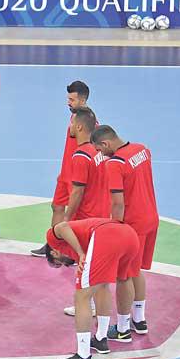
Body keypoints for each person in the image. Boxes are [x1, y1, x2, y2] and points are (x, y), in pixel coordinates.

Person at [45, 218, 140, 359]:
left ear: (54, 252)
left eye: (59, 262)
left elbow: (62, 226)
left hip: (107, 236)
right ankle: (102, 338)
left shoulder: (52, 238)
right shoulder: (80, 239)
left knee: (82, 296)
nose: (65, 264)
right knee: (107, 285)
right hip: (130, 235)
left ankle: (83, 357)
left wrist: (80, 253)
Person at [92, 125, 158, 340]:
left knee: (123, 277)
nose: (102, 155)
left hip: (132, 225)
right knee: (136, 271)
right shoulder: (142, 150)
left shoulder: (115, 163)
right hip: (151, 218)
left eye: (100, 150)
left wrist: (115, 229)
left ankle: (122, 329)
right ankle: (139, 319)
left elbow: (118, 203)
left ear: (106, 143)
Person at [58, 106, 110, 318]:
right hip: (102, 214)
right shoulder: (98, 152)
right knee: (97, 265)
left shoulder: (80, 155)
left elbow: (77, 192)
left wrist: (66, 219)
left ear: (79, 127)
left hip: (87, 219)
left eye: (72, 123)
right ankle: (97, 305)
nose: (70, 126)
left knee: (85, 264)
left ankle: (88, 305)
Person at [31, 81, 92, 257]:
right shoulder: (74, 117)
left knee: (73, 215)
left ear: (83, 100)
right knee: (57, 206)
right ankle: (53, 245)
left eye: (72, 100)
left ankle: (72, 251)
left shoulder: (90, 123)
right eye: (68, 99)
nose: (68, 103)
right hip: (65, 173)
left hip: (76, 176)